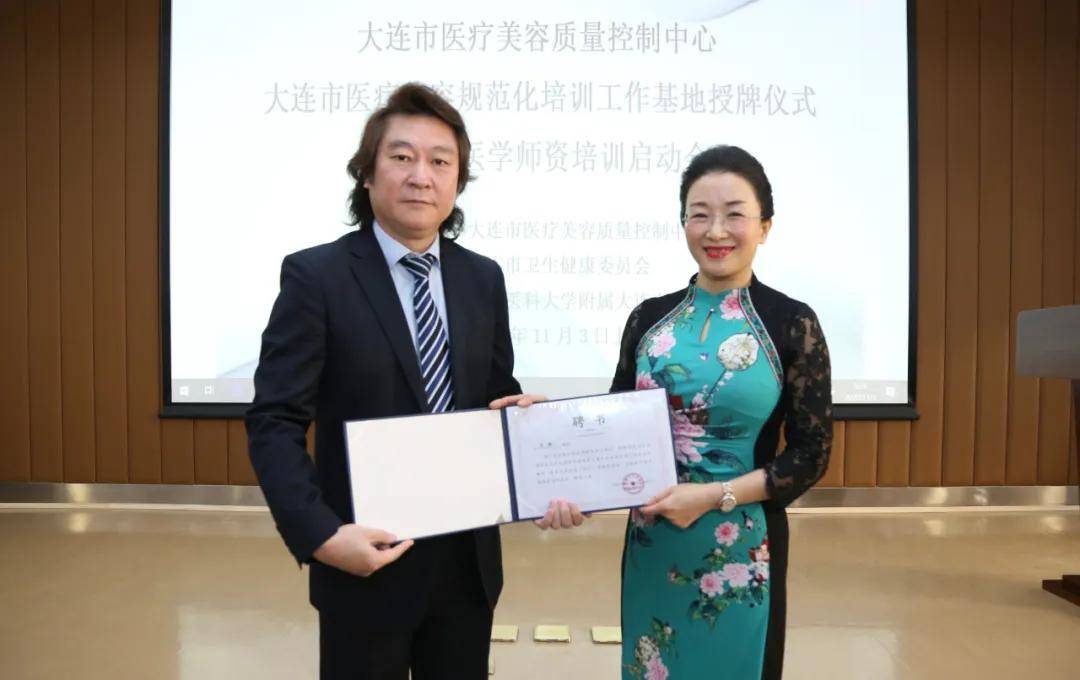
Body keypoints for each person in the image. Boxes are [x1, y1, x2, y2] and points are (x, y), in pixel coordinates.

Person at [246, 82, 540, 679]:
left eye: (440, 161)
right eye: (402, 157)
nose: (420, 176)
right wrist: (322, 537)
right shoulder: (317, 276)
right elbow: (274, 421)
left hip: (466, 564)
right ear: (367, 173)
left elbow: (492, 396)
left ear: (458, 181)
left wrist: (528, 427)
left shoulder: (482, 278)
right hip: (363, 558)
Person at [611, 145, 833, 679]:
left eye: (734, 214)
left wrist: (713, 497)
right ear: (683, 222)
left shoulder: (792, 323)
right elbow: (614, 425)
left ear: (765, 226)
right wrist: (542, 428)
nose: (715, 231)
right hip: (653, 542)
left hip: (742, 543)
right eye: (699, 214)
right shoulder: (648, 318)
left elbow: (810, 455)